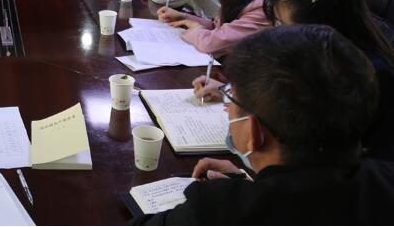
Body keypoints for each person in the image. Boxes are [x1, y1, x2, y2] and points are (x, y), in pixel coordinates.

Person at [132, 25, 394, 225]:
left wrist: (246, 194)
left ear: (253, 132)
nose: (227, 107)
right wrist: (256, 182)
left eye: (231, 98)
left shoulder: (217, 210)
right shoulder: (384, 180)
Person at [194, 0, 394, 160]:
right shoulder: (319, 59)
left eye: (282, 24)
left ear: (318, 29)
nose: (277, 32)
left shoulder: (368, 77)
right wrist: (230, 92)